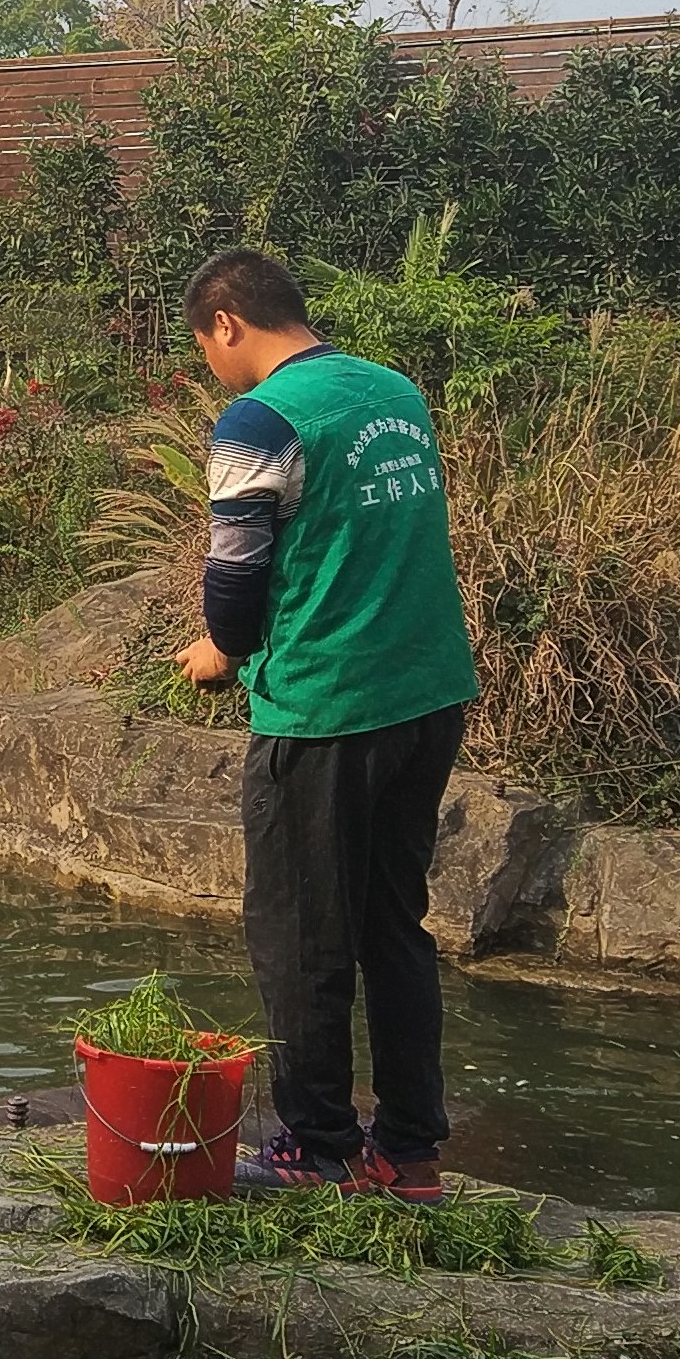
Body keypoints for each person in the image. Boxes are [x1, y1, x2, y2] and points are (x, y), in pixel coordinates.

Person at [169, 248, 479, 1204]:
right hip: (426, 695)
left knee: (301, 934)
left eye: (202, 346)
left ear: (226, 322)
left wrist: (220, 648)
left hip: (326, 707)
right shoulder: (392, 392)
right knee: (394, 925)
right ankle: (411, 1151)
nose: (208, 367)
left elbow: (235, 574)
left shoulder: (260, 417)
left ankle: (316, 1144)